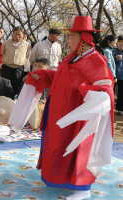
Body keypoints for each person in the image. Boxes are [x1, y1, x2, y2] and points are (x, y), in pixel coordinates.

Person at [9, 16, 114, 200]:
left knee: (80, 147)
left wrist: (85, 93)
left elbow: (105, 88)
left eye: (72, 37)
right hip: (60, 111)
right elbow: (61, 79)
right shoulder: (73, 59)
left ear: (84, 40)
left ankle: (83, 189)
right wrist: (43, 75)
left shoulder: (95, 61)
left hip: (79, 117)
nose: (68, 41)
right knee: (60, 146)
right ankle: (62, 179)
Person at [1, 26, 31, 94]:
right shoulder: (6, 43)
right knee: (5, 84)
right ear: (13, 34)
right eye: (15, 34)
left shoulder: (26, 44)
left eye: (19, 34)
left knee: (17, 84)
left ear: (23, 35)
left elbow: (27, 55)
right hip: (7, 66)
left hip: (19, 67)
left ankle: (16, 99)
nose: (17, 36)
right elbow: (3, 53)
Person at [113, 35, 123, 116]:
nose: (121, 43)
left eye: (122, 42)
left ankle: (120, 109)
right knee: (112, 92)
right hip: (114, 75)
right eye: (119, 41)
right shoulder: (113, 50)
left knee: (121, 93)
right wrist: (115, 58)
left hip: (122, 75)